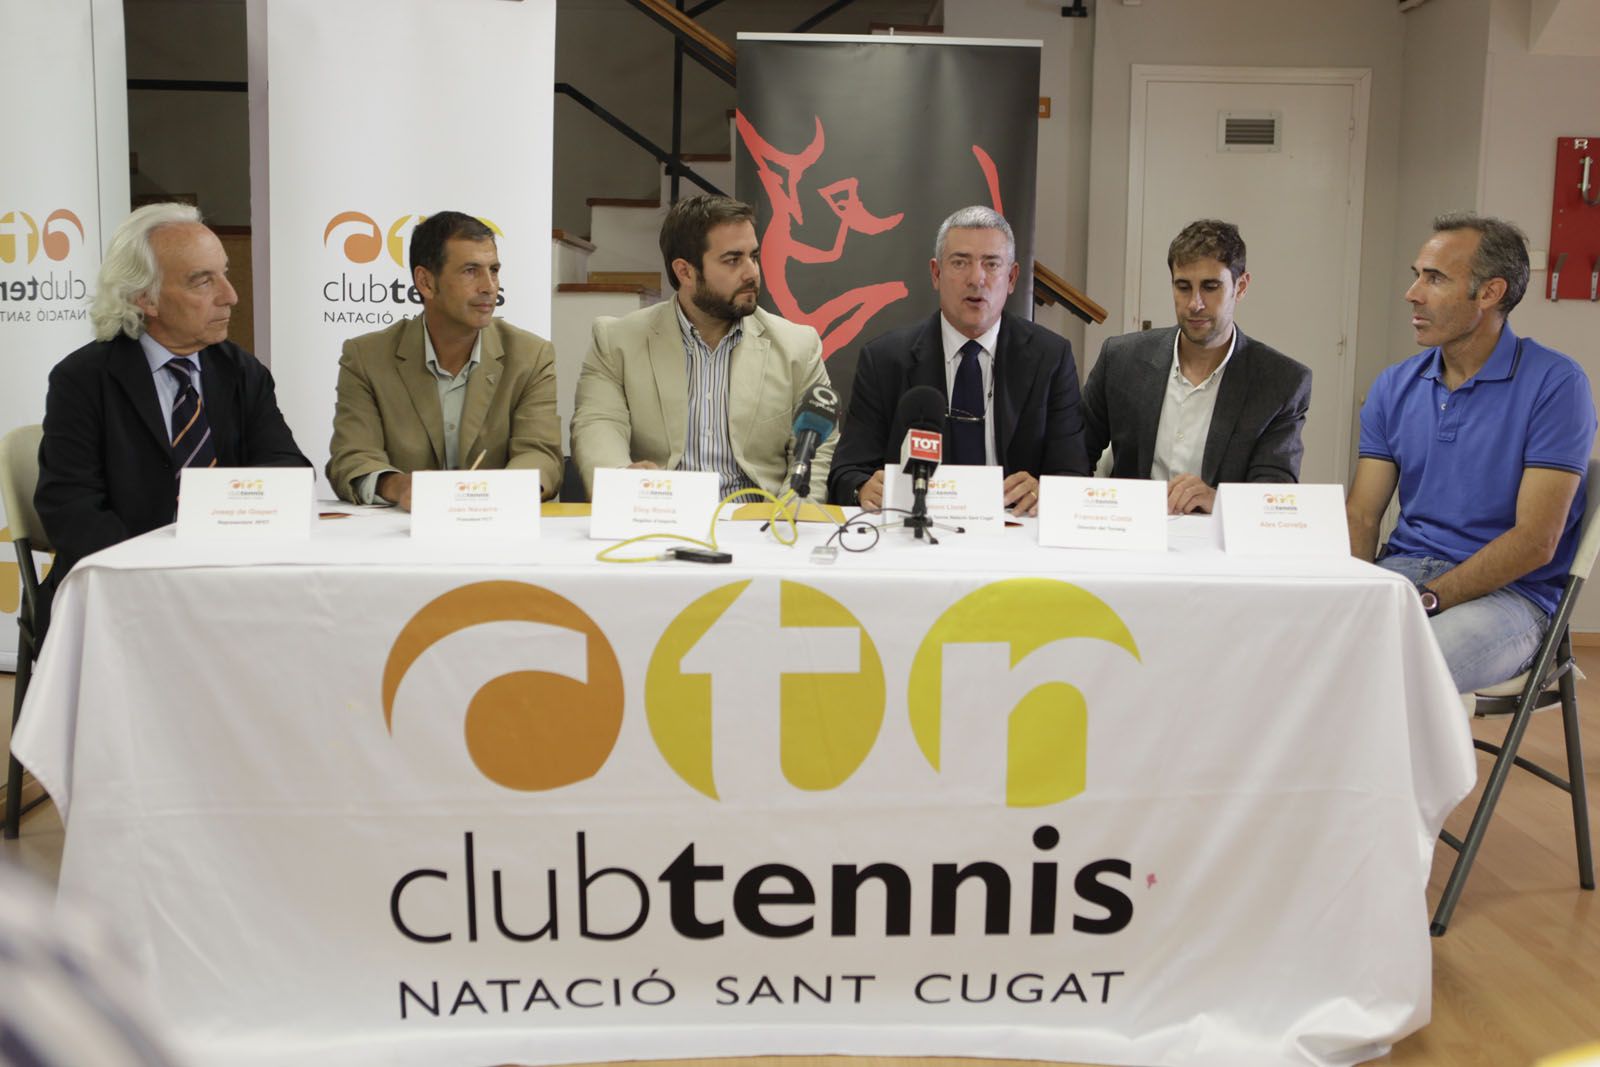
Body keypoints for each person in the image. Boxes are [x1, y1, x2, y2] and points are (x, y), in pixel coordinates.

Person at [1346, 213, 1596, 693]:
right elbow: (1361, 515)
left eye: (1434, 278)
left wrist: (1431, 599)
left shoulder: (1557, 385)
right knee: (1298, 644)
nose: (1413, 293)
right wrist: (1357, 593)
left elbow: (1535, 542)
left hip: (1511, 598)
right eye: (1416, 275)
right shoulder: (1393, 385)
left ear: (1489, 293)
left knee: (1396, 674)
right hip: (1402, 574)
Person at [35, 202, 308, 608]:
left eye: (225, 274)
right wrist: (161, 574)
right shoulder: (83, 380)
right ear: (146, 298)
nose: (230, 296)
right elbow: (72, 510)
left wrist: (229, 539)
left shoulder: (242, 372)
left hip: (230, 581)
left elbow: (287, 473)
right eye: (202, 282)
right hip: (123, 590)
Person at [570, 194, 833, 502]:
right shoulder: (617, 341)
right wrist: (623, 483)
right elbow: (598, 424)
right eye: (733, 260)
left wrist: (789, 518)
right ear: (685, 272)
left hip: (760, 525)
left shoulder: (798, 346)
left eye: (754, 256)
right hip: (660, 518)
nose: (752, 272)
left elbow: (816, 450)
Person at [827, 205, 1088, 514]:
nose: (976, 278)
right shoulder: (885, 360)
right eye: (961, 263)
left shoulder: (1050, 358)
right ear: (936, 273)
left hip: (1012, 534)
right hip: (915, 532)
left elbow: (1074, 475)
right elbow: (846, 472)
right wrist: (863, 488)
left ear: (1013, 277)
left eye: (991, 264)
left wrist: (1044, 492)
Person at [326, 211, 562, 508]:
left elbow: (541, 453)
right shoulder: (366, 357)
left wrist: (499, 493)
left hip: (495, 528)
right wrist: (398, 486)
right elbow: (353, 457)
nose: (489, 286)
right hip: (402, 537)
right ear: (425, 282)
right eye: (470, 271)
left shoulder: (530, 355)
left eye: (494, 270)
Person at [1081, 219, 1311, 515]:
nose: (1194, 303)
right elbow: (1072, 455)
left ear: (1240, 287)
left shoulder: (1281, 382)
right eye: (1183, 287)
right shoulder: (1121, 359)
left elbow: (1274, 495)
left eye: (1210, 287)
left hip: (1218, 546)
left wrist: (1217, 501)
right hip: (1130, 535)